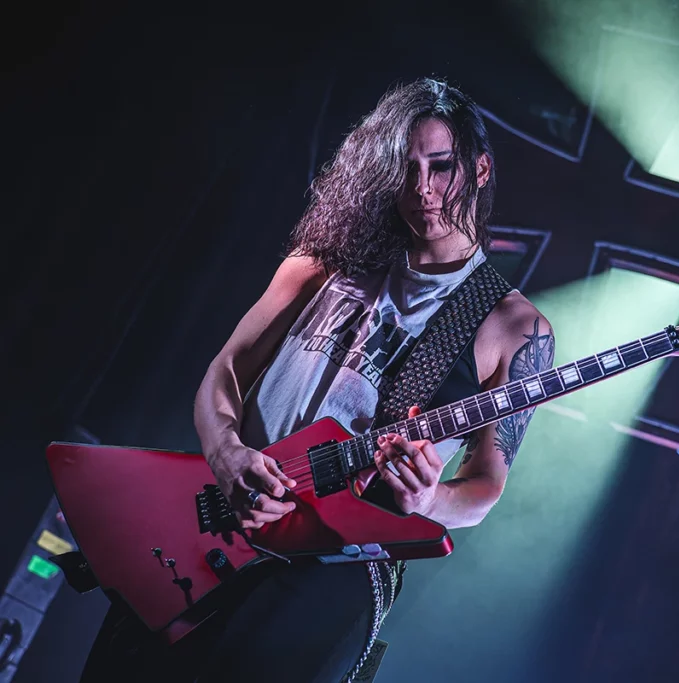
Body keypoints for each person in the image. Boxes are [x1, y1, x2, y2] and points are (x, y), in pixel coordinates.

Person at [79, 77, 555, 683]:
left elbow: (485, 485)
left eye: (442, 167)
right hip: (216, 520)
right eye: (406, 168)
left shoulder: (513, 327)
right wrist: (227, 456)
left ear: (480, 169)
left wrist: (428, 500)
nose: (423, 189)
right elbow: (226, 369)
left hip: (337, 558)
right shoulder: (329, 255)